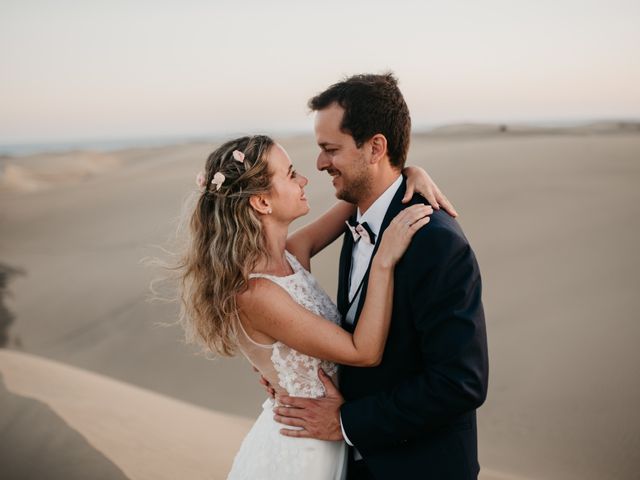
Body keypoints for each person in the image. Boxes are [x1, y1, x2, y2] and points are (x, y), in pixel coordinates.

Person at [173, 134, 455, 479]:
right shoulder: (256, 292)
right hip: (299, 452)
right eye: (291, 174)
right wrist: (383, 262)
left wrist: (410, 173)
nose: (304, 179)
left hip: (327, 439)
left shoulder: (294, 252)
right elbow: (363, 352)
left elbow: (365, 197)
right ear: (262, 202)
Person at [269, 73, 489, 479]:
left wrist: (347, 423)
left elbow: (460, 383)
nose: (319, 164)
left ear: (375, 147)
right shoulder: (358, 219)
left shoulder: (435, 243)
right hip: (353, 464)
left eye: (330, 149)